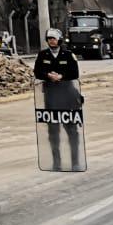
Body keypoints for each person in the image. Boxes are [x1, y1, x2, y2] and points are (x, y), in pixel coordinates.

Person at [33, 28, 82, 170]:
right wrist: (48, 76)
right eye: (49, 39)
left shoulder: (68, 55)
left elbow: (75, 73)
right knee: (53, 132)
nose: (52, 41)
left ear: (59, 40)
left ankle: (75, 162)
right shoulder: (42, 55)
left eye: (54, 39)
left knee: (72, 131)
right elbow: (37, 72)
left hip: (67, 97)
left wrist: (61, 77)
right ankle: (56, 162)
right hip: (51, 98)